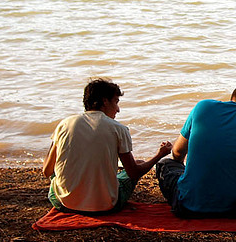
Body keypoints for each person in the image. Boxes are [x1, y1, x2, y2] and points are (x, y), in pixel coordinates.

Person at [43, 78, 173, 214]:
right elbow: (134, 172)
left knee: (56, 176)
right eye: (116, 102)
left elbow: (47, 171)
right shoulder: (119, 129)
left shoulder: (65, 124)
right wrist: (159, 155)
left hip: (64, 204)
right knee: (138, 164)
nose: (118, 109)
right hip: (105, 206)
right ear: (105, 101)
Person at [156, 84, 236, 218]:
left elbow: (178, 153)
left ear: (232, 99)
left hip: (188, 206)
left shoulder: (202, 107)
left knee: (165, 164)